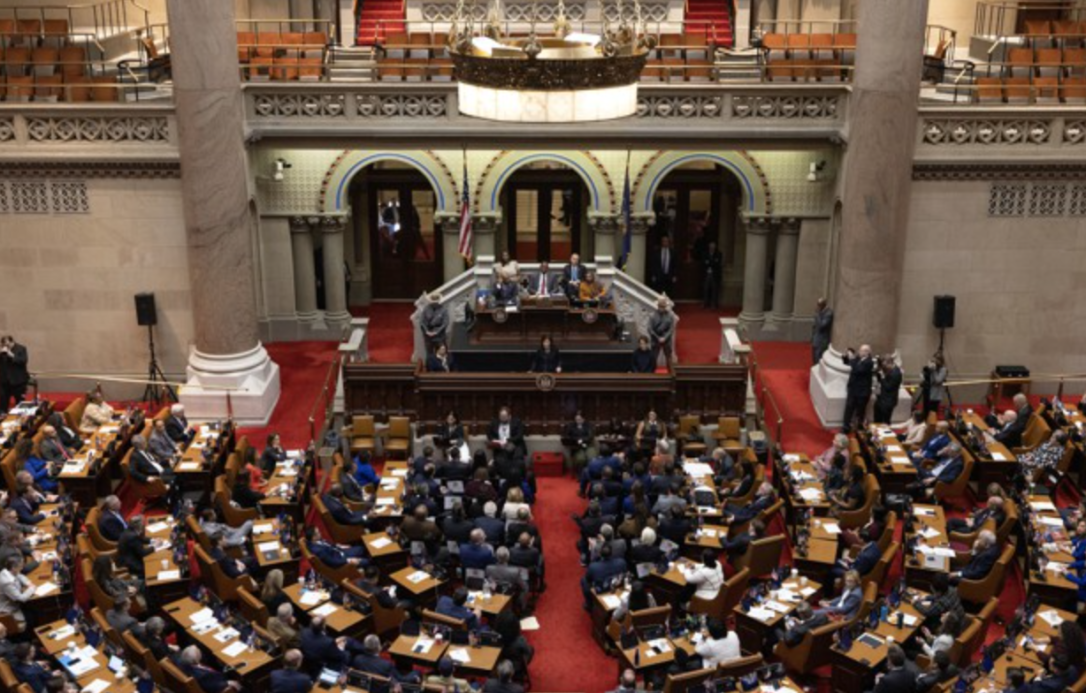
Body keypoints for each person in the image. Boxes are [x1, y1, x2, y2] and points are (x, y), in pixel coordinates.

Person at [841, 344, 875, 433]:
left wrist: (851, 358)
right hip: (853, 389)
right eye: (860, 350)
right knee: (849, 409)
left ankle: (858, 428)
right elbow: (847, 363)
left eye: (861, 350)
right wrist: (845, 356)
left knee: (860, 412)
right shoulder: (858, 358)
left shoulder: (869, 362)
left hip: (862, 392)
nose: (859, 352)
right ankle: (845, 427)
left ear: (867, 352)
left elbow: (858, 369)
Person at [0, 556, 34, 628]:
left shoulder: (7, 571)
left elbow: (20, 576)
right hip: (8, 611)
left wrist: (28, 583)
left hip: (16, 604)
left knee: (34, 610)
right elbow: (21, 599)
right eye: (20, 567)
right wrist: (32, 588)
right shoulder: (7, 582)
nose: (22, 568)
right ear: (13, 568)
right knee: (32, 617)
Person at [0, 336, 30, 414]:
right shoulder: (2, 350)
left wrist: (11, 355)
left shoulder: (21, 349)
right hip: (5, 382)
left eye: (7, 344)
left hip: (18, 382)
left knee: (20, 403)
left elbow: (23, 361)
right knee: (3, 404)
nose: (6, 346)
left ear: (12, 342)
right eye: (3, 344)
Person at [874, 356, 903, 425]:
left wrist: (883, 377)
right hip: (881, 398)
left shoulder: (896, 373)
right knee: (877, 418)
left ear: (890, 363)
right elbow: (881, 380)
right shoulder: (889, 370)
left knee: (885, 421)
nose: (884, 367)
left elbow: (889, 387)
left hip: (888, 401)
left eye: (885, 365)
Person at [648, 297, 676, 366]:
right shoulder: (652, 315)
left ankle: (670, 371)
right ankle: (652, 371)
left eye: (663, 306)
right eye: (661, 306)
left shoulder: (670, 315)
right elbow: (650, 329)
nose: (662, 308)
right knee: (653, 358)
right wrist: (658, 338)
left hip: (667, 340)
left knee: (669, 358)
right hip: (655, 339)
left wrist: (665, 338)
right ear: (658, 306)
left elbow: (671, 328)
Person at [811, 298, 833, 365]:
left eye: (819, 305)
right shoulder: (820, 312)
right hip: (816, 338)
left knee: (818, 358)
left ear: (823, 305)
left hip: (822, 340)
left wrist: (817, 315)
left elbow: (822, 326)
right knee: (814, 357)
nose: (817, 307)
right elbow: (815, 326)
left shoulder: (828, 313)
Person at [701, 240, 723, 309]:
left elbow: (717, 264)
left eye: (713, 245)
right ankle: (705, 303)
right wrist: (713, 262)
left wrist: (709, 262)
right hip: (707, 273)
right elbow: (704, 263)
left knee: (714, 289)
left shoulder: (718, 254)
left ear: (715, 246)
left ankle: (713, 304)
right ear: (709, 246)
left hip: (714, 274)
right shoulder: (705, 253)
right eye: (711, 245)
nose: (712, 247)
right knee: (706, 288)